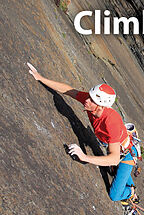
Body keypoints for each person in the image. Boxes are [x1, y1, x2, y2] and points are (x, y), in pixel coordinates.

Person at [27, 62, 138, 202]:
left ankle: (130, 192)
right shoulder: (93, 104)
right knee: (113, 170)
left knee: (114, 195)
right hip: (116, 148)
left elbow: (115, 157)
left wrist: (84, 157)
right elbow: (69, 91)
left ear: (101, 105)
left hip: (126, 155)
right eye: (89, 96)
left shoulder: (111, 122)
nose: (86, 100)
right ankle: (123, 177)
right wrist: (41, 78)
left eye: (91, 99)